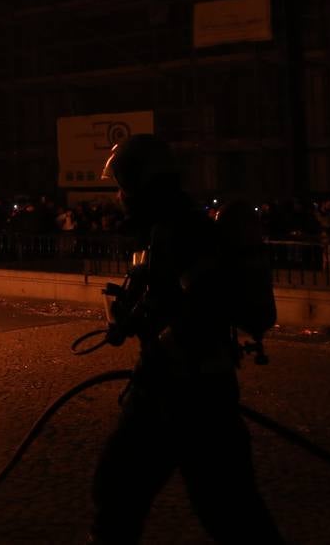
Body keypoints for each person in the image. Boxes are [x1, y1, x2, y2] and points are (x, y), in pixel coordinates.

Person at [89, 134, 282, 544]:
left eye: (123, 186)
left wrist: (158, 334)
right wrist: (130, 314)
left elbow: (204, 306)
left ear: (143, 183)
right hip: (177, 390)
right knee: (122, 494)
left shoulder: (183, 231)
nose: (120, 197)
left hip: (188, 394)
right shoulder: (162, 229)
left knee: (229, 514)